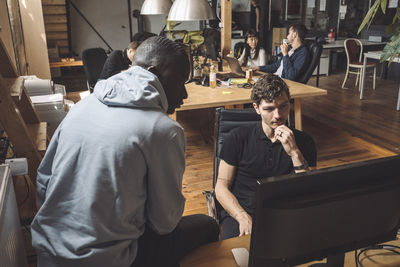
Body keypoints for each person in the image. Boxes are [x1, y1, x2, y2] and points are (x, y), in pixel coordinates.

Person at [31, 36, 219, 267]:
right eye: (180, 81)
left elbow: (43, 180)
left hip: (50, 253)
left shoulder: (83, 106)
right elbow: (164, 223)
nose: (184, 94)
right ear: (154, 72)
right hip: (108, 260)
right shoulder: (163, 131)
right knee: (208, 225)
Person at [214, 74, 317, 240]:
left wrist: (294, 153)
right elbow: (221, 186)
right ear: (256, 108)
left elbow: (308, 190)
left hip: (284, 214)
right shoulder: (237, 137)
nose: (278, 115)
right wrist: (242, 216)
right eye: (269, 109)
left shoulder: (304, 142)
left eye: (283, 106)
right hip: (242, 212)